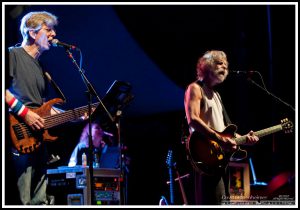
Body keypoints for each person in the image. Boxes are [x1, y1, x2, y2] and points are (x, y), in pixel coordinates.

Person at [184, 50, 259, 205]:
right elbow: (193, 120)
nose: (224, 67)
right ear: (206, 65)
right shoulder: (195, 88)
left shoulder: (217, 95)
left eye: (226, 65)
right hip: (205, 156)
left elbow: (225, 131)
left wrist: (245, 139)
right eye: (219, 63)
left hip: (221, 160)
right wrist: (219, 139)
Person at [5, 11, 62, 205]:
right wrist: (25, 113)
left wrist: (74, 116)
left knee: (40, 199)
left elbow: (43, 107)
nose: (54, 34)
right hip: (17, 135)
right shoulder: (12, 55)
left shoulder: (41, 68)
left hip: (38, 139)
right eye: (48, 29)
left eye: (53, 29)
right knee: (21, 199)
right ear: (32, 33)